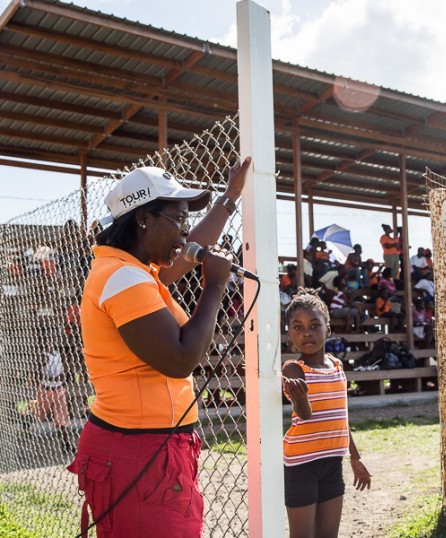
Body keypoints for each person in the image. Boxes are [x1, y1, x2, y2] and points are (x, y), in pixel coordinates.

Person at [67, 157, 251, 537]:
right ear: (143, 219)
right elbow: (180, 359)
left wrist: (229, 199)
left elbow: (194, 244)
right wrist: (214, 286)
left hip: (146, 444)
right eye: (178, 219)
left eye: (186, 221)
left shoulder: (132, 270)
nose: (185, 233)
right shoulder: (124, 278)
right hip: (139, 450)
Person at [282, 289, 372, 538]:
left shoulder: (337, 366)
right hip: (301, 465)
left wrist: (355, 458)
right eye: (297, 327)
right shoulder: (293, 369)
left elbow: (341, 417)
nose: (306, 333)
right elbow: (305, 414)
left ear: (328, 328)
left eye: (314, 325)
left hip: (332, 463)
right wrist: (300, 398)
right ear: (289, 334)